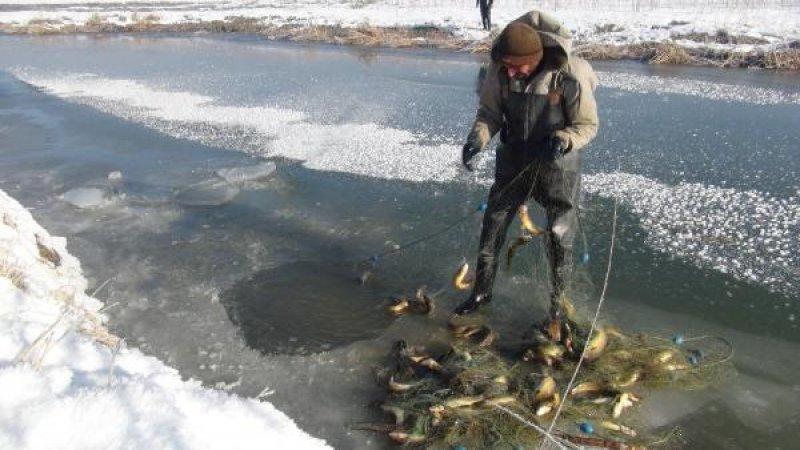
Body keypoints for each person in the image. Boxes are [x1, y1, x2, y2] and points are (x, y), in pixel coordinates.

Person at [455, 11, 599, 323]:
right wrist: (476, 140)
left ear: (536, 58)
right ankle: (481, 292)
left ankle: (557, 306)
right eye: (506, 66)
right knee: (493, 226)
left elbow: (587, 125)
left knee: (560, 236)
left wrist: (564, 139)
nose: (511, 72)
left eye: (517, 67)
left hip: (557, 165)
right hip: (513, 161)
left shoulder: (571, 73)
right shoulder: (500, 69)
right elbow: (489, 113)